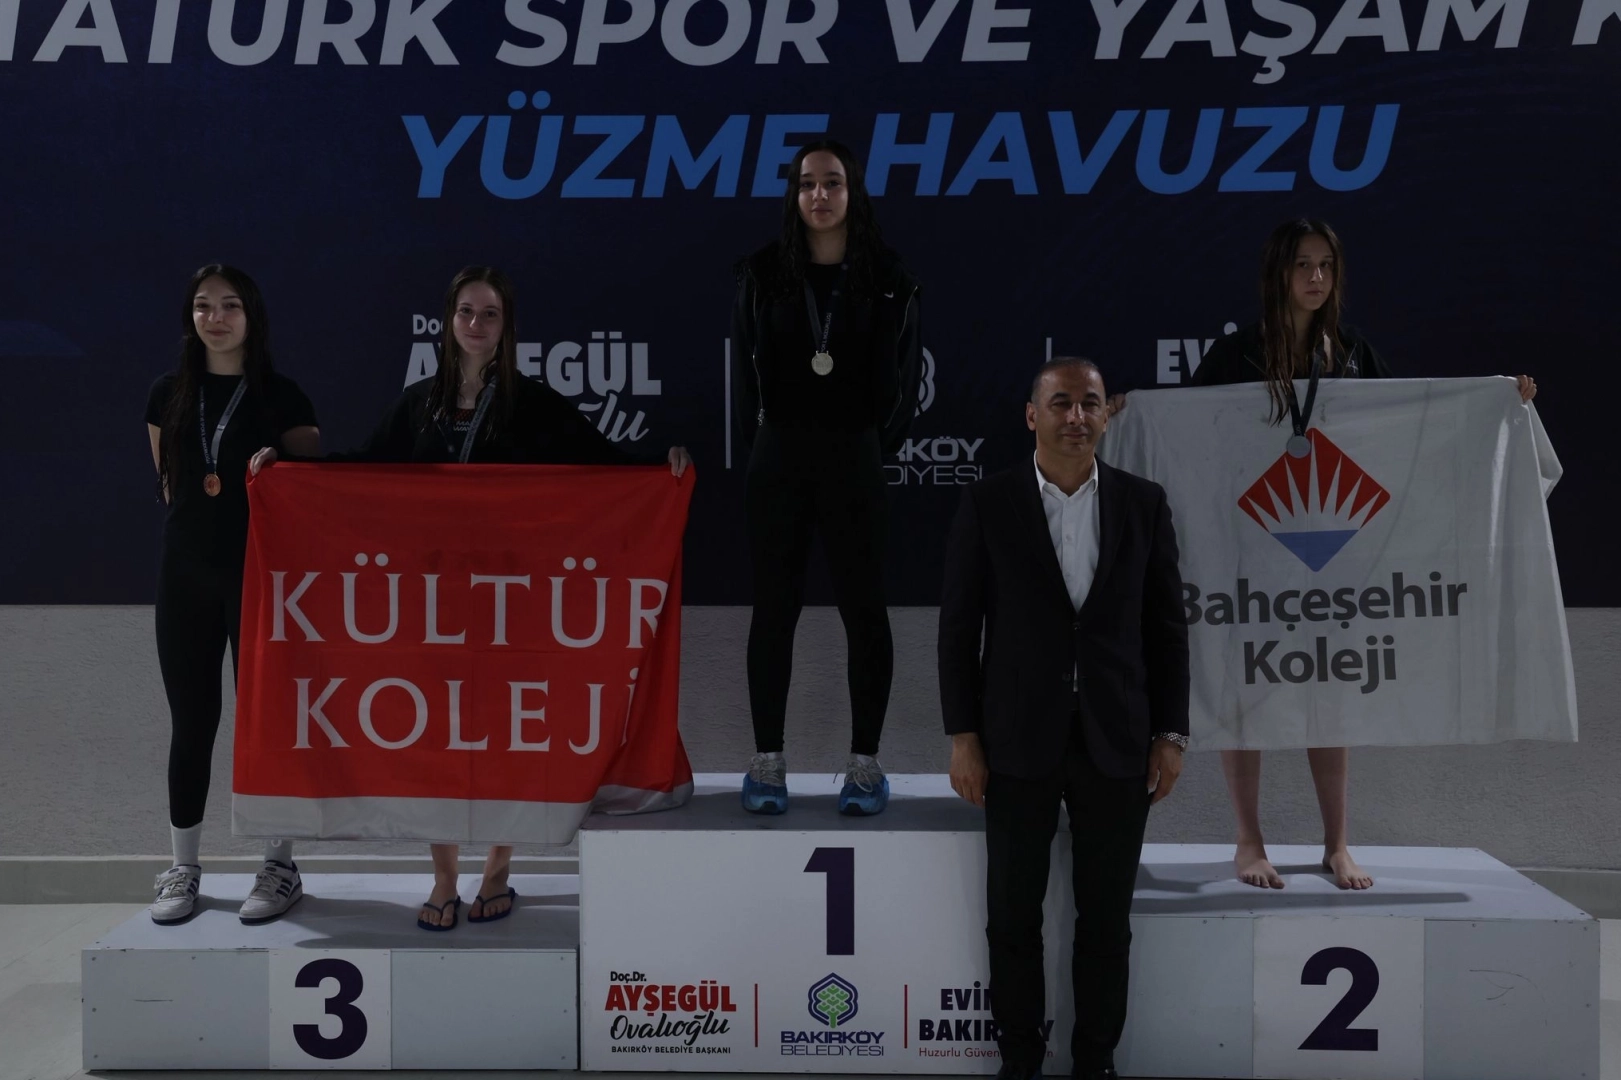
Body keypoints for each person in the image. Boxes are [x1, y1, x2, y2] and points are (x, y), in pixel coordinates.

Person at [252, 266, 690, 930]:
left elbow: (602, 461)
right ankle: (443, 878)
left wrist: (663, 467)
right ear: (447, 320)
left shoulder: (533, 402)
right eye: (466, 312)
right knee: (440, 737)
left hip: (513, 600)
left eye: (490, 314)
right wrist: (285, 473)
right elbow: (362, 466)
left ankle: (498, 871)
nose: (476, 325)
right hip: (434, 605)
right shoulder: (419, 402)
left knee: (510, 738)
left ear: (506, 326)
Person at [1179, 218, 1536, 891]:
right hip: (1250, 554)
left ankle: (1337, 844)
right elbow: (1183, 435)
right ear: (1277, 273)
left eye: (1325, 265)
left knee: (1327, 693)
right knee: (1243, 695)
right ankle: (1248, 840)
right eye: (1302, 265)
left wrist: (1497, 403)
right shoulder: (1236, 355)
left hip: (1334, 559)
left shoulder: (1349, 352)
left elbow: (1410, 428)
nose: (1315, 278)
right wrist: (1127, 414)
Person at [939, 357, 1189, 1080]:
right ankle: (1019, 1060)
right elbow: (958, 629)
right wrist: (963, 737)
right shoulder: (989, 502)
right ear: (1031, 415)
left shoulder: (1143, 503)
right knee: (1012, 918)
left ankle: (1094, 1061)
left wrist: (1170, 734)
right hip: (1014, 741)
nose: (1076, 416)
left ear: (1106, 414)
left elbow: (1166, 629)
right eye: (1060, 403)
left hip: (1118, 741)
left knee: (1105, 921)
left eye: (1089, 403)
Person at [730, 139, 922, 816]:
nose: (819, 194)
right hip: (778, 458)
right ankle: (767, 763)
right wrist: (767, 448)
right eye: (806, 183)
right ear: (793, 194)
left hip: (855, 457)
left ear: (852, 191)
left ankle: (864, 765)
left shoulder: (889, 277)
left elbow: (904, 386)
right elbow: (742, 379)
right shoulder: (761, 272)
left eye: (832, 182)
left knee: (864, 610)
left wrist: (864, 445)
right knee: (773, 610)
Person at [145, 264, 320, 925]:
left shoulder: (284, 396)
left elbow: (312, 497)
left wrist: (280, 470)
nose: (215, 318)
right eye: (203, 305)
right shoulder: (166, 393)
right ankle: (183, 868)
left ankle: (279, 866)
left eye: (229, 306)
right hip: (185, 575)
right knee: (192, 723)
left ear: (252, 316)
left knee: (267, 724)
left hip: (262, 581)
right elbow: (171, 485)